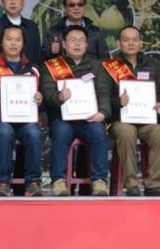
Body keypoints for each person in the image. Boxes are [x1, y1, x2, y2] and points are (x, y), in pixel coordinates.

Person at [96, 26, 160, 196]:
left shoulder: (152, 64)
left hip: (146, 121)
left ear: (141, 43)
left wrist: (159, 104)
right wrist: (118, 102)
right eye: (126, 40)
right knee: (127, 133)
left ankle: (154, 184)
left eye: (134, 39)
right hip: (120, 120)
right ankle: (132, 184)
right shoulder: (109, 67)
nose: (131, 43)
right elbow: (103, 97)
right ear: (119, 43)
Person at [41, 26, 110, 196]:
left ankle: (99, 181)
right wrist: (59, 97)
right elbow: (47, 95)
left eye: (81, 41)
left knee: (98, 132)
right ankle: (58, 180)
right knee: (61, 132)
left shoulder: (97, 66)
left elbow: (103, 92)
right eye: (72, 40)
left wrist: (103, 113)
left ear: (87, 45)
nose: (77, 44)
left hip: (89, 118)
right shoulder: (51, 66)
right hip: (62, 119)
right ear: (64, 44)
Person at [0, 25, 44, 197]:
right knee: (5, 132)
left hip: (26, 119)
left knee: (33, 132)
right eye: (9, 39)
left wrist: (40, 98)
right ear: (1, 42)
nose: (13, 43)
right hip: (1, 118)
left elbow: (44, 99)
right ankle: (2, 182)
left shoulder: (33, 68)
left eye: (18, 39)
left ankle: (33, 182)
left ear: (23, 43)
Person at [41, 0, 109, 62]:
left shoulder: (95, 31)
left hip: (91, 72)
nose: (76, 8)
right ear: (65, 8)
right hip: (64, 72)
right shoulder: (53, 31)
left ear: (84, 7)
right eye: (71, 5)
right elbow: (42, 58)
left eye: (80, 4)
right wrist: (51, 52)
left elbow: (105, 59)